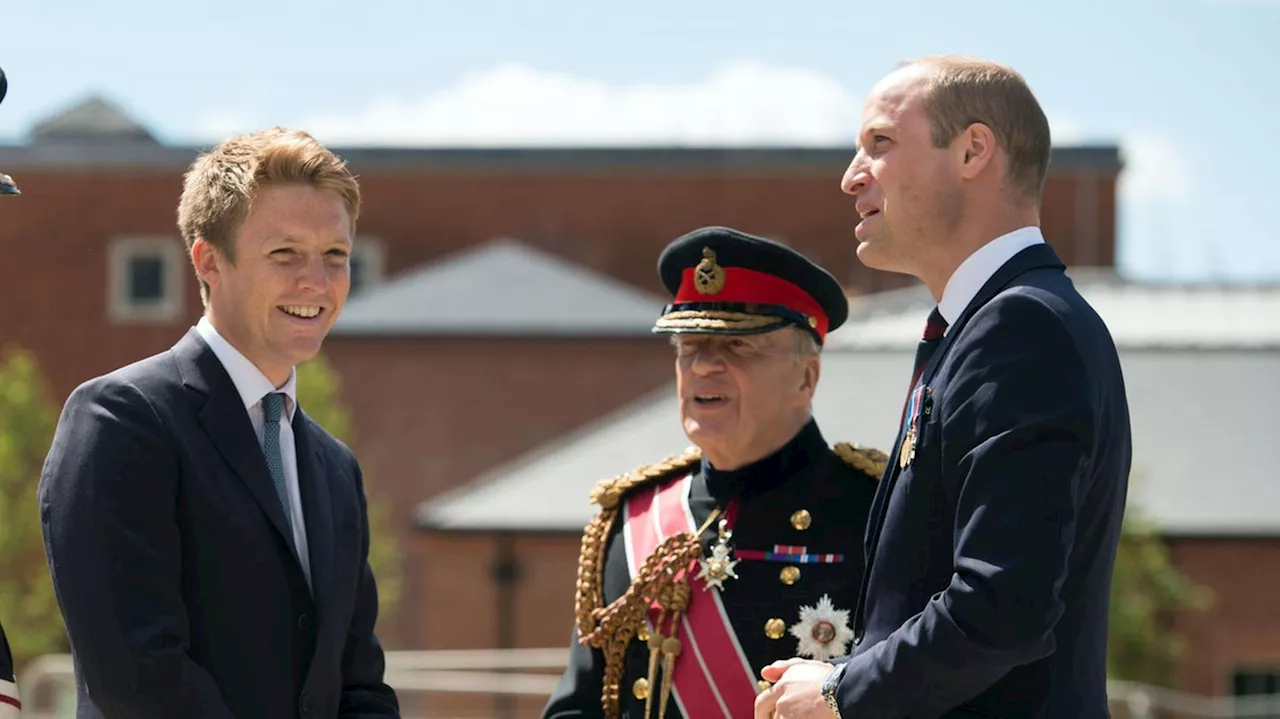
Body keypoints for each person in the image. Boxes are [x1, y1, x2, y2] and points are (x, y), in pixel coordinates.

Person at [756, 55, 1132, 719]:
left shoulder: (1019, 326)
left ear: (972, 151)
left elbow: (1002, 607)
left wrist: (843, 691)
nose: (851, 178)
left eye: (880, 144)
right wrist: (845, 672)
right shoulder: (986, 324)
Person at [38, 128, 400, 718]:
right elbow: (138, 674)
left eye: (335, 255)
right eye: (285, 253)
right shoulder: (121, 420)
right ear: (209, 261)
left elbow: (358, 680)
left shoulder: (335, 467)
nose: (317, 281)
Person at [542, 226, 888, 719]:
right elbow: (581, 706)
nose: (703, 367)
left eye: (737, 348)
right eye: (689, 347)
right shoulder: (632, 518)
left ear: (806, 377)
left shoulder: (875, 510)